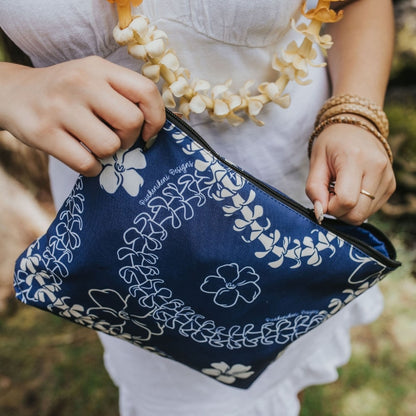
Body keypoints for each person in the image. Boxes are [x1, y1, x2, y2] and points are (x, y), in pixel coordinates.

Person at [0, 0, 395, 415]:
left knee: (286, 358)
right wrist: (10, 88)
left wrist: (356, 116)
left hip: (303, 204)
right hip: (128, 238)